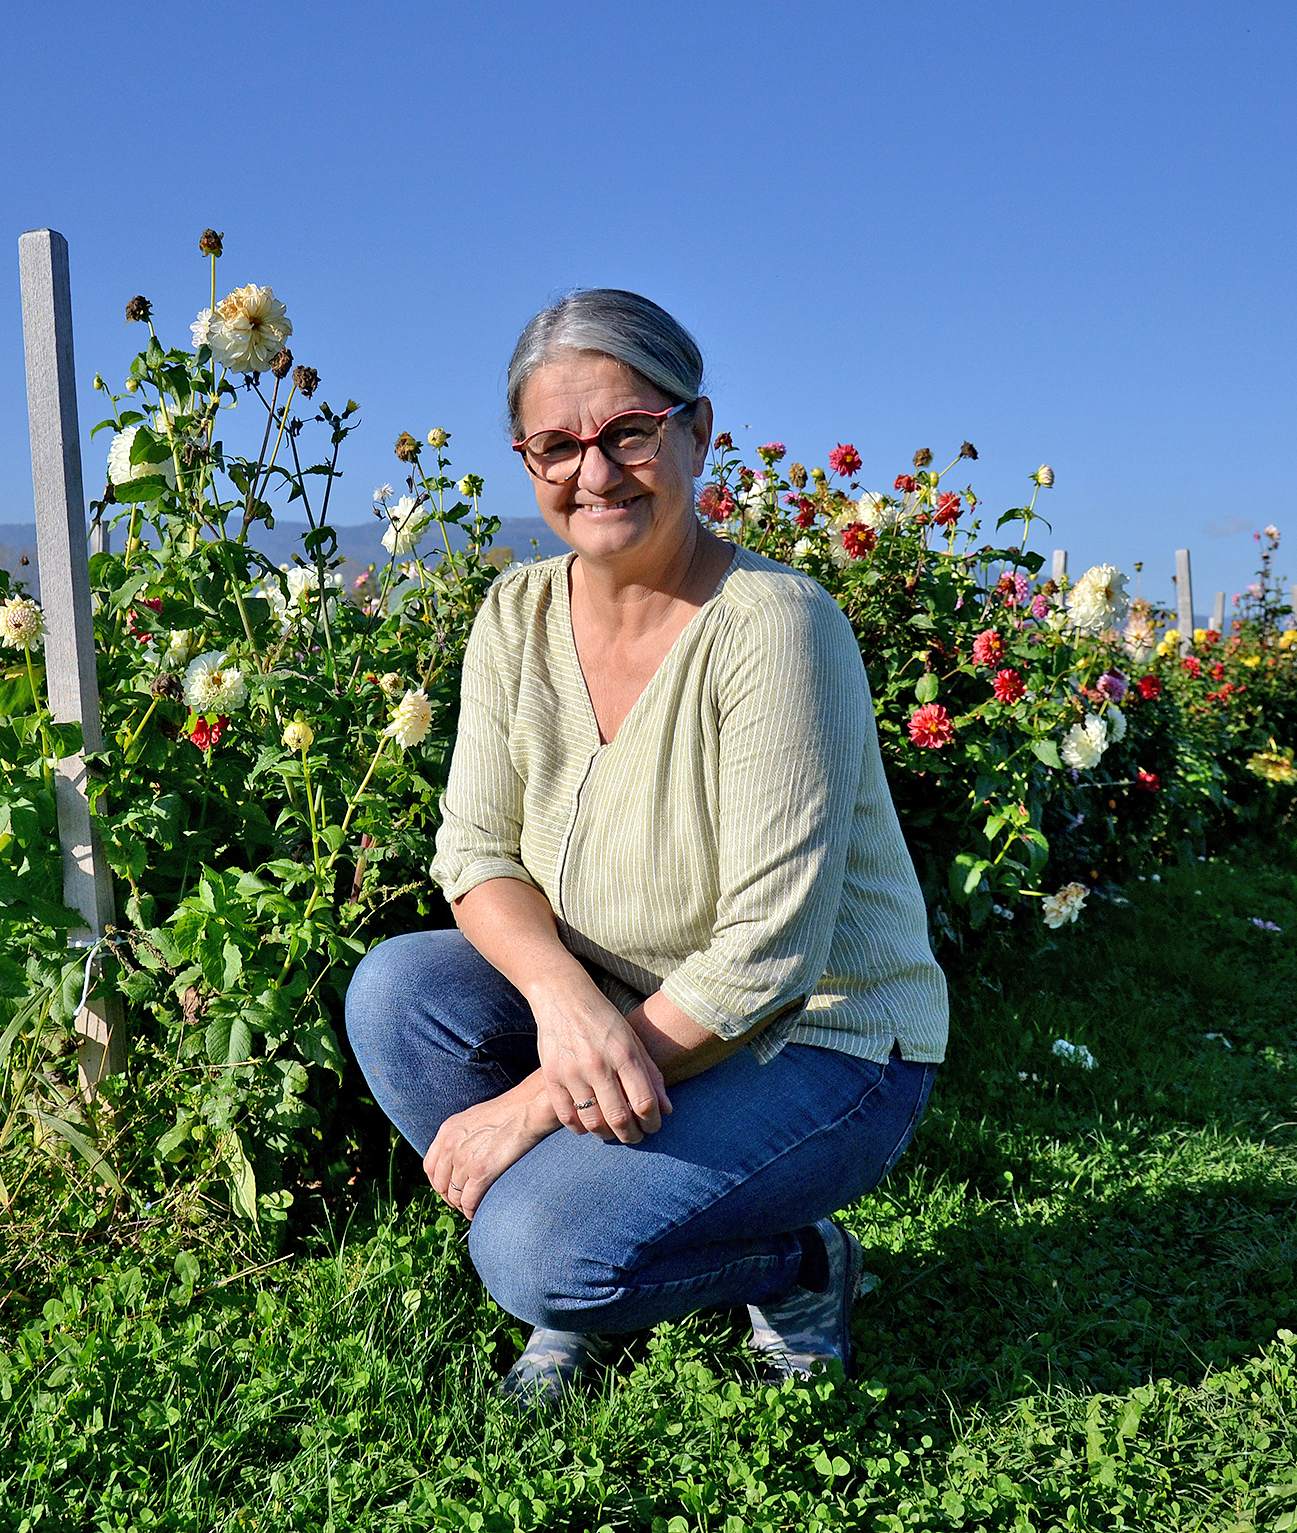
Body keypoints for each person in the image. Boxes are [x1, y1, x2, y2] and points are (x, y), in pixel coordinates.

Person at [345, 288, 949, 1405]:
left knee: (530, 1259)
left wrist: (534, 1103)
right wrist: (568, 1010)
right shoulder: (513, 615)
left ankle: (792, 1261)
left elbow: (768, 958)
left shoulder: (772, 625)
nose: (594, 472)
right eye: (555, 445)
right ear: (524, 456)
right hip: (628, 1006)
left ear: (696, 430)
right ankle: (604, 1241)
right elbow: (473, 852)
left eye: (628, 432)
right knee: (398, 990)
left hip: (817, 1042)